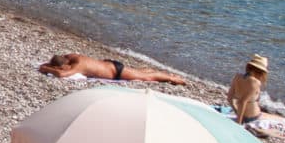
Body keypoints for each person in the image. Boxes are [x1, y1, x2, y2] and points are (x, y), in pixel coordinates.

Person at [39, 53, 185, 85]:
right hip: (110, 65)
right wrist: (49, 65)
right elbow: (58, 64)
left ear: (65, 65)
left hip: (116, 71)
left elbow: (61, 74)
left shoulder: (78, 66)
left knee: (146, 78)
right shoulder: (72, 56)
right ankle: (156, 71)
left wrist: (46, 68)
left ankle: (172, 78)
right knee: (139, 72)